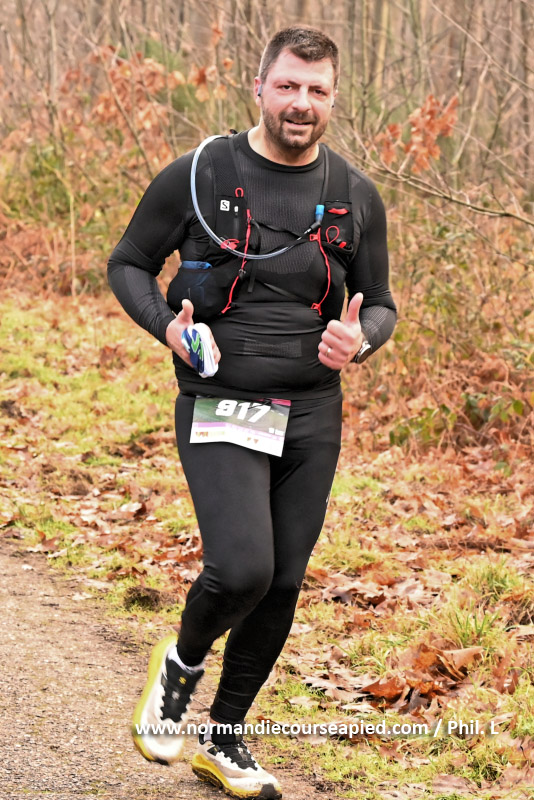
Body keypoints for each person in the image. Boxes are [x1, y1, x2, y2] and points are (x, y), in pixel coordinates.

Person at [108, 25, 396, 800]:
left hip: (312, 411)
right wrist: (167, 327)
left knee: (284, 582)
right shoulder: (200, 174)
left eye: (317, 90)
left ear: (333, 98)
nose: (301, 103)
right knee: (243, 569)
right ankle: (180, 667)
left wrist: (360, 339)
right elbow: (129, 262)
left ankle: (224, 737)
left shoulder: (356, 195)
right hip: (221, 398)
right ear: (260, 87)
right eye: (288, 86)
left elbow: (381, 303)